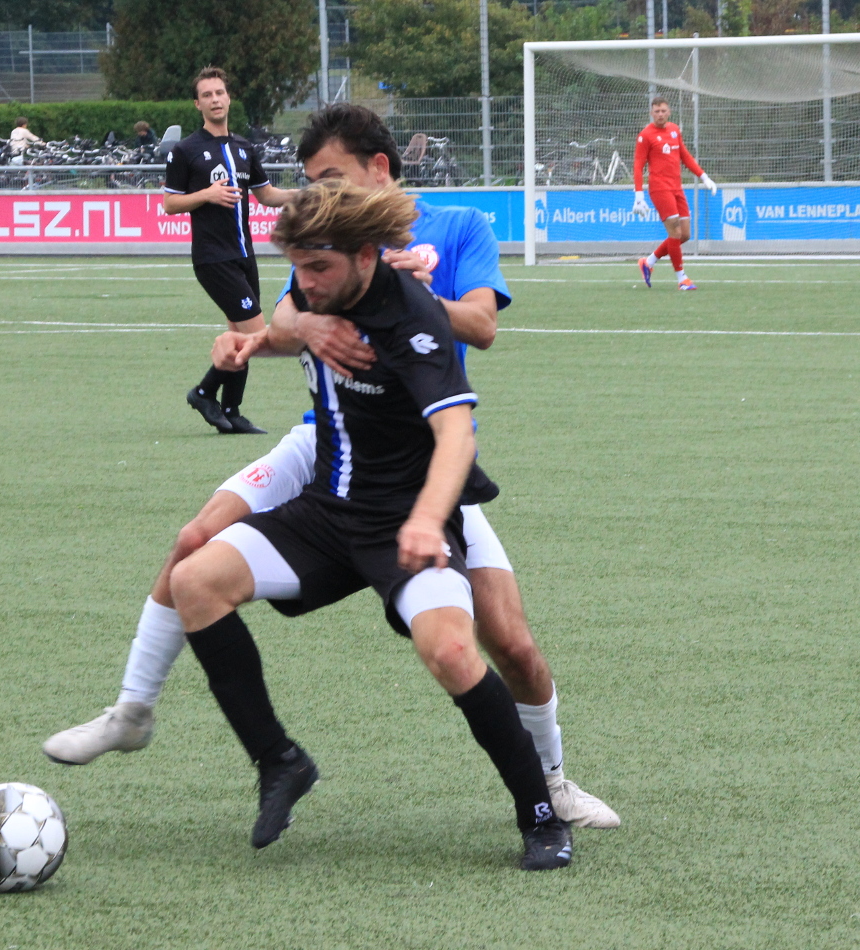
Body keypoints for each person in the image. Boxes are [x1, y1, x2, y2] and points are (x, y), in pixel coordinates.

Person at [43, 103, 619, 830]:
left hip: (418, 460)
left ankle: (552, 783)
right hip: (323, 443)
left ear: (378, 170)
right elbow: (284, 323)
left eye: (329, 178)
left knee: (510, 642)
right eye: (310, 182)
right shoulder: (323, 249)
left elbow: (483, 326)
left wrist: (401, 296)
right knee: (194, 547)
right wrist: (307, 321)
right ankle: (132, 709)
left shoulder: (457, 228)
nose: (315, 194)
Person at [173, 180, 574, 869]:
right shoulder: (319, 293)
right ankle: (279, 761)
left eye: (318, 268)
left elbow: (456, 437)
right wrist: (251, 346)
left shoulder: (412, 319)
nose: (304, 283)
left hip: (404, 523)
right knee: (194, 581)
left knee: (452, 653)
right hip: (328, 514)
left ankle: (540, 816)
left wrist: (425, 520)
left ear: (365, 256)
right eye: (296, 268)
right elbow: (290, 328)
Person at [171, 66, 296, 435]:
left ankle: (232, 411)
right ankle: (204, 392)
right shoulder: (186, 151)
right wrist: (207, 195)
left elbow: (267, 195)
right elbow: (169, 204)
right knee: (261, 335)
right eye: (207, 95)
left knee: (240, 338)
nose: (215, 100)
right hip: (213, 258)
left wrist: (311, 193)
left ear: (228, 98)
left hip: (245, 255)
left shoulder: (244, 147)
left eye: (219, 93)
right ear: (198, 104)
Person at [633, 95, 717, 291]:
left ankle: (648, 262)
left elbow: (685, 156)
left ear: (669, 112)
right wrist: (639, 195)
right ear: (651, 113)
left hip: (677, 188)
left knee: (684, 235)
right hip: (659, 188)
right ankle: (682, 279)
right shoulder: (645, 135)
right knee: (674, 231)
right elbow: (638, 165)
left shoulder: (674, 130)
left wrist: (704, 177)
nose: (660, 114)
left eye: (663, 111)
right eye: (657, 111)